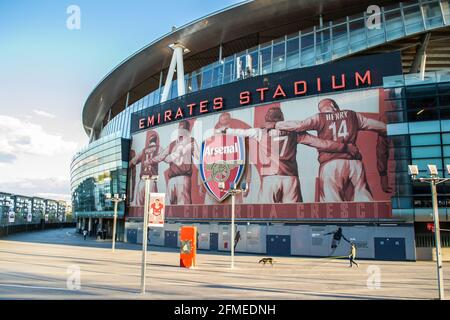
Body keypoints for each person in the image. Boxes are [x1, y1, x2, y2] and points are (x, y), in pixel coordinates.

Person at [219, 106, 360, 203]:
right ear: (281, 120)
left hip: (269, 180)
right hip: (290, 179)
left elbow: (239, 132)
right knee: (294, 219)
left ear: (267, 120)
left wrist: (225, 131)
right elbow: (321, 143)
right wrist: (345, 147)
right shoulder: (295, 133)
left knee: (265, 219)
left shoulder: (259, 132)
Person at [275, 98, 390, 202]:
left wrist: (276, 125)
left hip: (330, 164)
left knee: (332, 203)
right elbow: (381, 128)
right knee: (363, 197)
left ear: (323, 109)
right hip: (354, 163)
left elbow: (300, 125)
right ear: (334, 106)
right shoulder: (352, 115)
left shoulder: (319, 117)